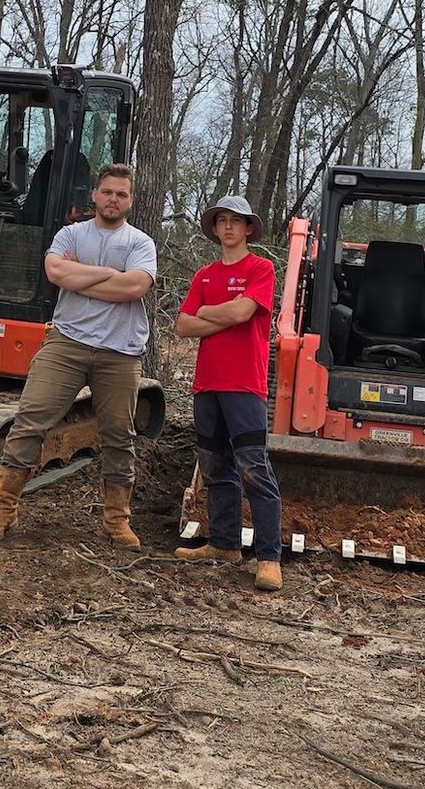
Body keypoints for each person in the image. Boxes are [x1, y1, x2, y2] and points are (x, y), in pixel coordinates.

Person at [0, 163, 157, 547]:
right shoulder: (71, 233)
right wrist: (108, 274)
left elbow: (135, 286)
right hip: (68, 342)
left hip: (119, 352)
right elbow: (56, 272)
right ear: (95, 195)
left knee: (119, 436)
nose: (113, 199)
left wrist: (84, 276)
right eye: (107, 192)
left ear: (131, 201)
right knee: (29, 420)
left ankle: (116, 521)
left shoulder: (140, 243)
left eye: (121, 194)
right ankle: (2, 508)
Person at [172, 195, 283, 592]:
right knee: (216, 466)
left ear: (249, 228)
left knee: (253, 467)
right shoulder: (203, 275)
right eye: (223, 220)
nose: (230, 227)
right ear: (216, 228)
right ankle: (224, 544)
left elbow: (241, 314)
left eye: (237, 221)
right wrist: (226, 311)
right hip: (207, 385)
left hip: (244, 385)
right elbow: (183, 327)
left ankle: (269, 558)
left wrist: (209, 313)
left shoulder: (261, 268)